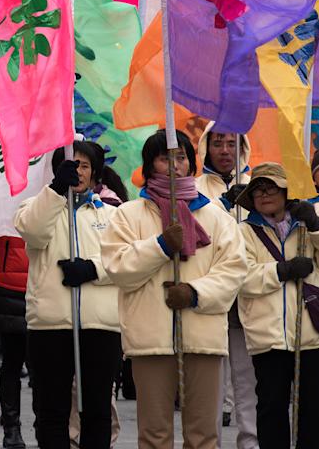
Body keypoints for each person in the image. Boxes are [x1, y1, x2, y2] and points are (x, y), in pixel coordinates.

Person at [100, 130, 247, 449]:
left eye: (181, 157)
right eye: (165, 158)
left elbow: (233, 269)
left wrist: (195, 294)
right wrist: (160, 246)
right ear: (150, 165)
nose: (174, 165)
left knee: (203, 435)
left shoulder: (216, 217)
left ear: (191, 164)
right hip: (150, 340)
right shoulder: (127, 215)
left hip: (203, 338)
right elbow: (119, 268)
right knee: (154, 435)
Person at [235, 162, 319, 448]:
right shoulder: (243, 232)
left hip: (314, 336)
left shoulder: (308, 224)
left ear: (287, 192)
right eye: (258, 190)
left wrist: (316, 225)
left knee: (314, 413)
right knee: (271, 410)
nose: (264, 195)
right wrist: (282, 271)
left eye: (271, 188)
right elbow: (241, 277)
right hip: (269, 337)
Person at [14, 143, 122, 449]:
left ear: (95, 172)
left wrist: (92, 270)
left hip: (99, 325)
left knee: (97, 410)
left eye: (85, 165)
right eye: (71, 164)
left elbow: (126, 263)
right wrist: (56, 190)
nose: (78, 170)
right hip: (50, 325)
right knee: (51, 411)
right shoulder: (35, 206)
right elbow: (33, 232)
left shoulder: (114, 215)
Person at [194, 126, 256, 446]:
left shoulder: (257, 185)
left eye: (231, 143)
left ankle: (250, 440)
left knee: (247, 378)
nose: (224, 150)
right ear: (206, 147)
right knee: (211, 380)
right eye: (217, 143)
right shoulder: (194, 187)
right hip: (213, 293)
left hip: (249, 294)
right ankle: (209, 441)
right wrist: (223, 205)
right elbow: (198, 230)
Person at [0, 235, 28, 449]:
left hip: (45, 285)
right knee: (12, 362)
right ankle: (12, 427)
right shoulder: (4, 208)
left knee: (44, 367)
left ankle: (43, 423)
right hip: (8, 286)